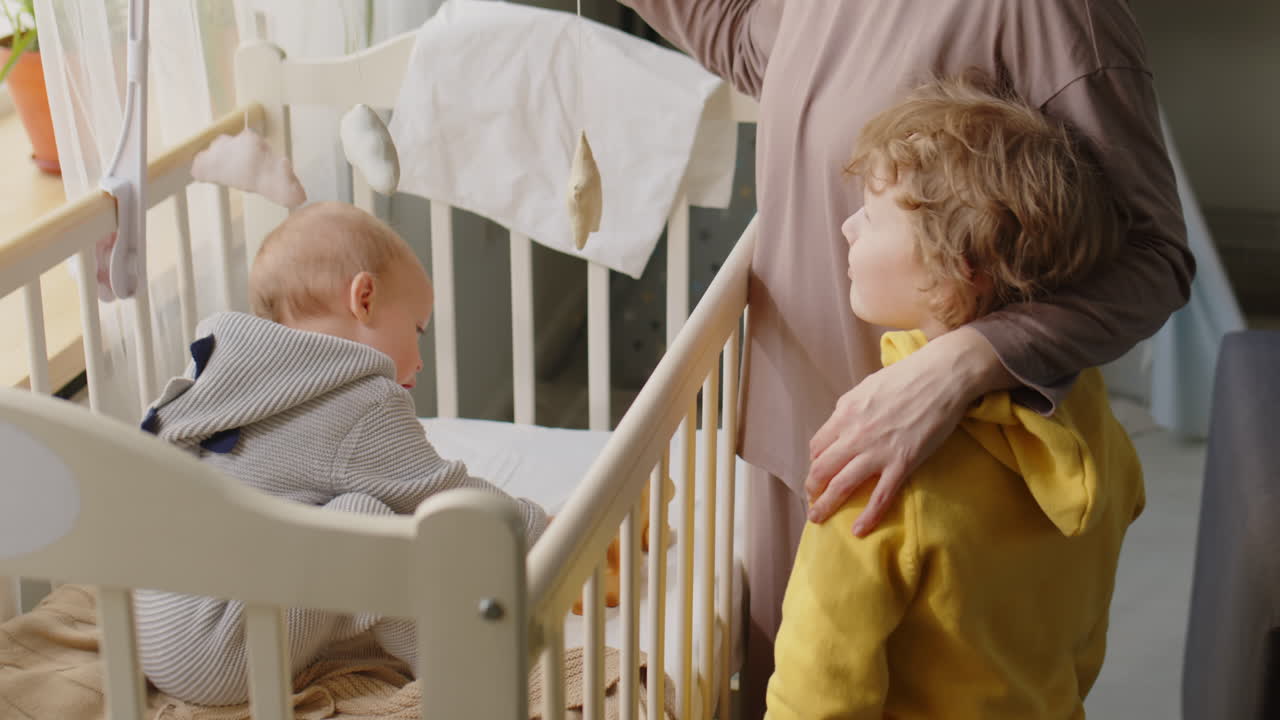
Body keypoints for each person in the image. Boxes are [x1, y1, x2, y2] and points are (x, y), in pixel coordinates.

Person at [618, 3, 1192, 714]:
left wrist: (964, 363)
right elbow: (756, 46)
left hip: (914, 461)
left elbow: (1153, 257)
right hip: (807, 442)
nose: (851, 225)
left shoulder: (1050, 14)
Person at [765, 75, 1144, 719]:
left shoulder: (877, 471)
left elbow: (817, 693)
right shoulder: (1091, 425)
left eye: (872, 215)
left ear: (957, 268)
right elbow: (1082, 640)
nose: (848, 226)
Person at [133, 202, 549, 706]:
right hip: (221, 653)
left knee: (331, 521)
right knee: (366, 516)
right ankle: (448, 664)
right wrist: (544, 529)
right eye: (417, 329)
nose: (420, 359)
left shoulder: (231, 376)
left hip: (150, 626)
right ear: (364, 299)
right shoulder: (359, 400)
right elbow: (445, 498)